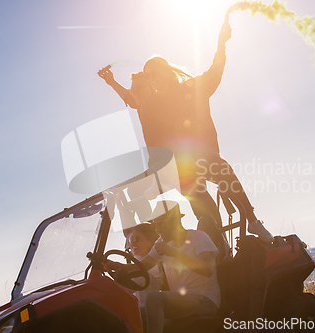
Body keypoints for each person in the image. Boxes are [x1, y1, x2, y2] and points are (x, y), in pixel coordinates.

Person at [140, 19, 273, 241]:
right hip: (179, 170)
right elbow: (153, 145)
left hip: (205, 157)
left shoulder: (191, 88)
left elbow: (215, 71)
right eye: (148, 75)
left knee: (219, 166)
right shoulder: (149, 107)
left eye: (155, 72)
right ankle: (218, 250)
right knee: (205, 214)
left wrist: (221, 44)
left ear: (166, 71)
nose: (152, 78)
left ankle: (252, 221)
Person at [98, 67, 224, 229]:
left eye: (138, 88)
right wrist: (112, 81)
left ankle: (215, 232)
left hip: (180, 161)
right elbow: (129, 97)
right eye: (133, 88)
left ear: (152, 87)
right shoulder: (142, 103)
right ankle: (150, 232)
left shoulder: (164, 103)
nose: (134, 92)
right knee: (136, 191)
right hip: (160, 164)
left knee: (194, 192)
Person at [106, 200, 221, 333]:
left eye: (161, 225)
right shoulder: (161, 243)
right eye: (156, 225)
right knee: (130, 314)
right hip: (181, 302)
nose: (158, 230)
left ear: (175, 221)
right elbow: (141, 268)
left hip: (206, 301)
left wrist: (173, 252)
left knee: (154, 298)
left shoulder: (198, 237)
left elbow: (207, 269)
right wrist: (116, 265)